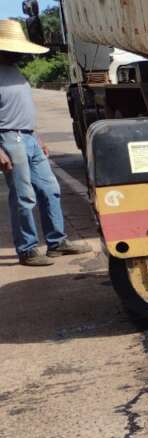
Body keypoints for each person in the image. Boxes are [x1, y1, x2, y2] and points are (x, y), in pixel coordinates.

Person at [0, 19, 90, 266]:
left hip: (28, 137)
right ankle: (27, 249)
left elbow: (20, 108)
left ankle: (57, 242)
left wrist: (36, 137)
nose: (19, 53)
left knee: (50, 189)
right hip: (9, 138)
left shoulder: (15, 71)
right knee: (23, 196)